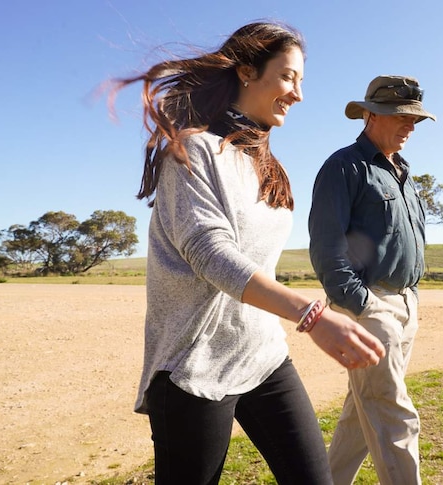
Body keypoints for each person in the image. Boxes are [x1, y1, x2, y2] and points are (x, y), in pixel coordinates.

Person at [108, 22, 386, 485]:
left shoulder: (264, 164)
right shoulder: (193, 151)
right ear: (246, 71)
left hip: (263, 354)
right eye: (288, 77)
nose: (297, 94)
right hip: (193, 369)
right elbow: (210, 251)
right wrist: (312, 315)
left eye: (301, 82)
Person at [308, 75, 436, 485]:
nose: (410, 127)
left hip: (404, 304)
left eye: (415, 119)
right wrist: (362, 303)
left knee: (361, 411)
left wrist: (409, 297)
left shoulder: (401, 170)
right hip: (368, 307)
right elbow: (327, 249)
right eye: (401, 117)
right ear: (370, 115)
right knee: (393, 414)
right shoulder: (343, 166)